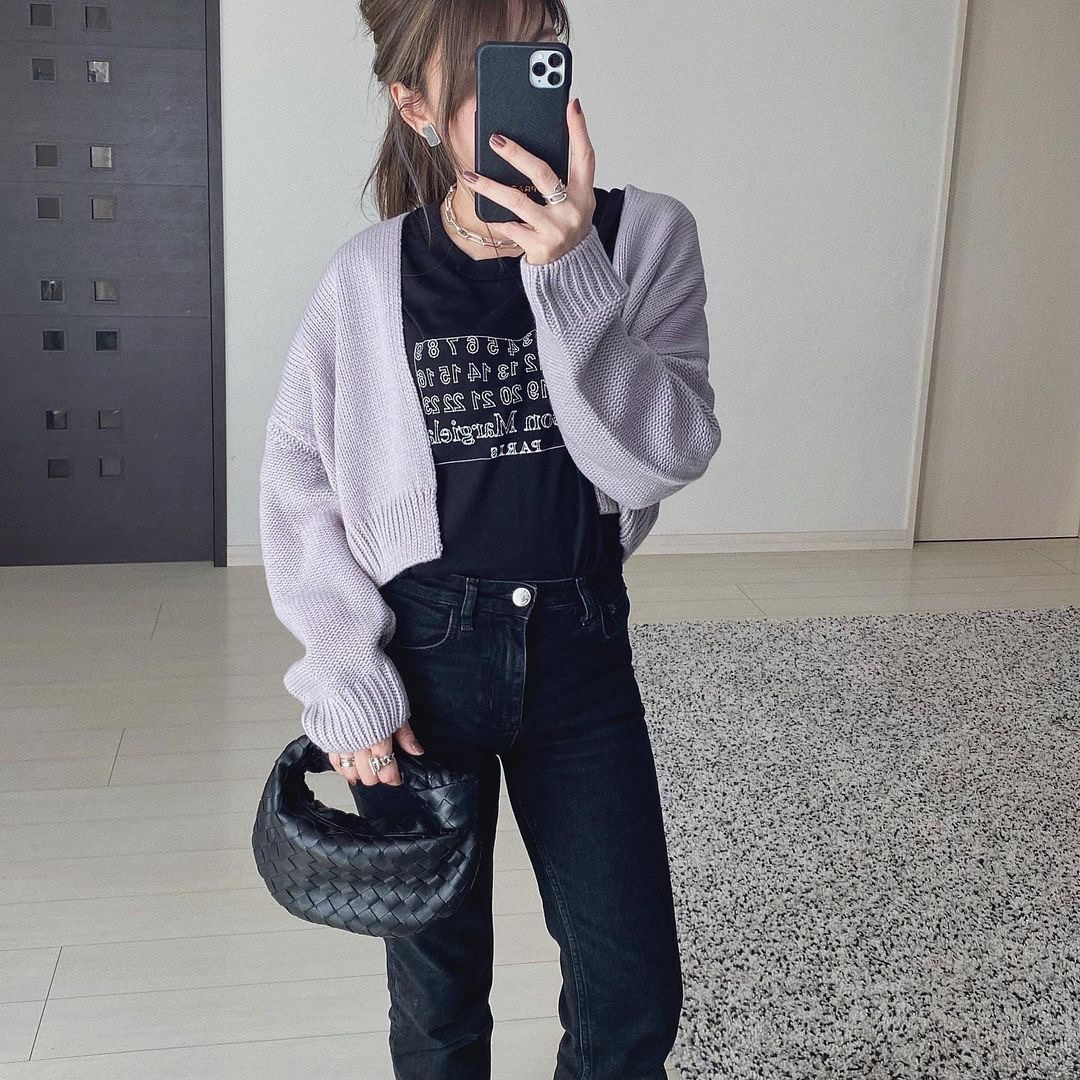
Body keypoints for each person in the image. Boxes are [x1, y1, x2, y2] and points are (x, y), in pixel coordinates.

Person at [258, 1, 722, 1076]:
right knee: (437, 1003)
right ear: (414, 105)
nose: (520, 93)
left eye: (538, 55)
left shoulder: (648, 238)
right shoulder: (367, 276)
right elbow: (299, 483)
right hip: (422, 663)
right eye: (478, 73)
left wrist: (572, 277)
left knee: (630, 994)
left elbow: (662, 457)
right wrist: (343, 674)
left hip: (579, 651)